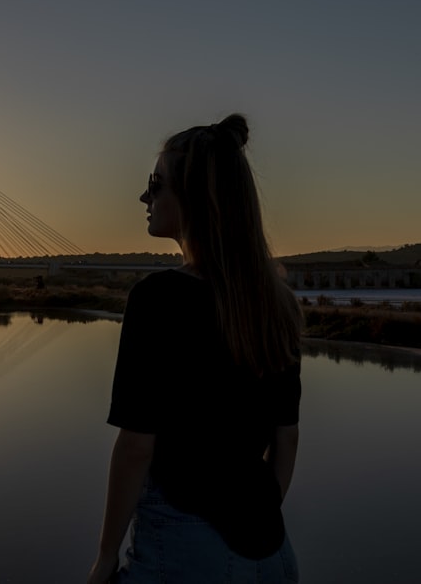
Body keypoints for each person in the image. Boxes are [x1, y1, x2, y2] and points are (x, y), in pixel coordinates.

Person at [87, 114, 302, 584]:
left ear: (195, 198)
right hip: (274, 555)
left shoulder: (158, 297)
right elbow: (286, 439)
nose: (145, 197)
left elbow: (136, 447)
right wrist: (253, 518)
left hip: (184, 549)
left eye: (156, 184)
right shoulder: (277, 303)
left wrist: (105, 558)